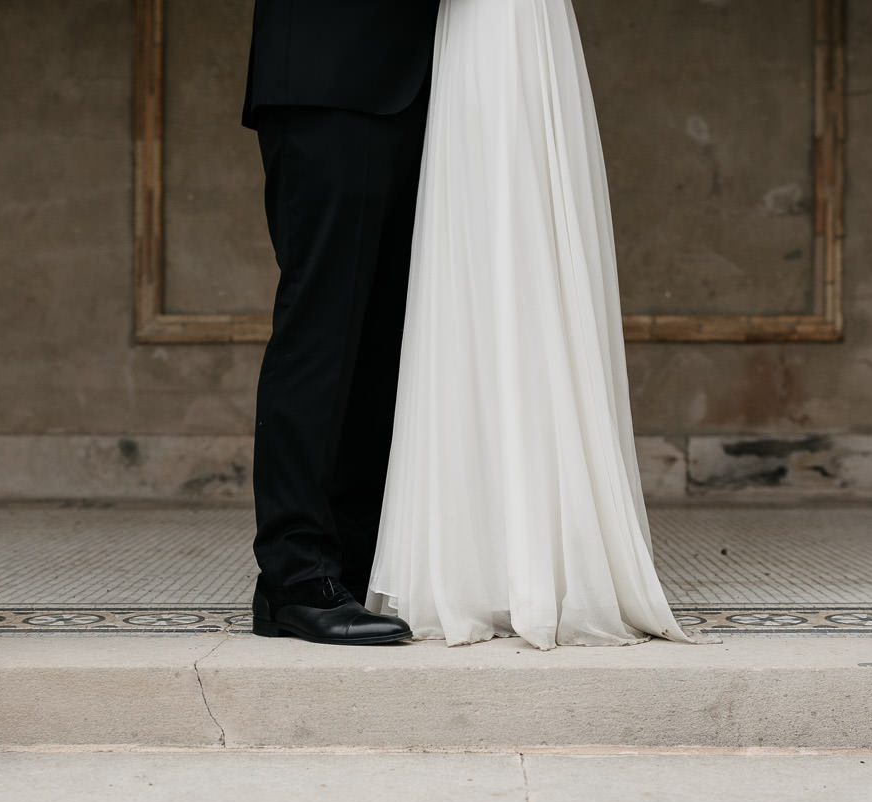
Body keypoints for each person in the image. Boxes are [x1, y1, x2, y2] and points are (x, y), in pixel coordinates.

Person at [367, 0, 693, 648]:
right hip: (478, 37)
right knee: (484, 261)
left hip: (503, 32)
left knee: (517, 247)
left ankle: (513, 563)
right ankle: (505, 557)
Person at [242, 0, 441, 645]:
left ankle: (350, 565)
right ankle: (293, 578)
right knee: (323, 332)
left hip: (420, 87)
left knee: (385, 343)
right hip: (333, 77)